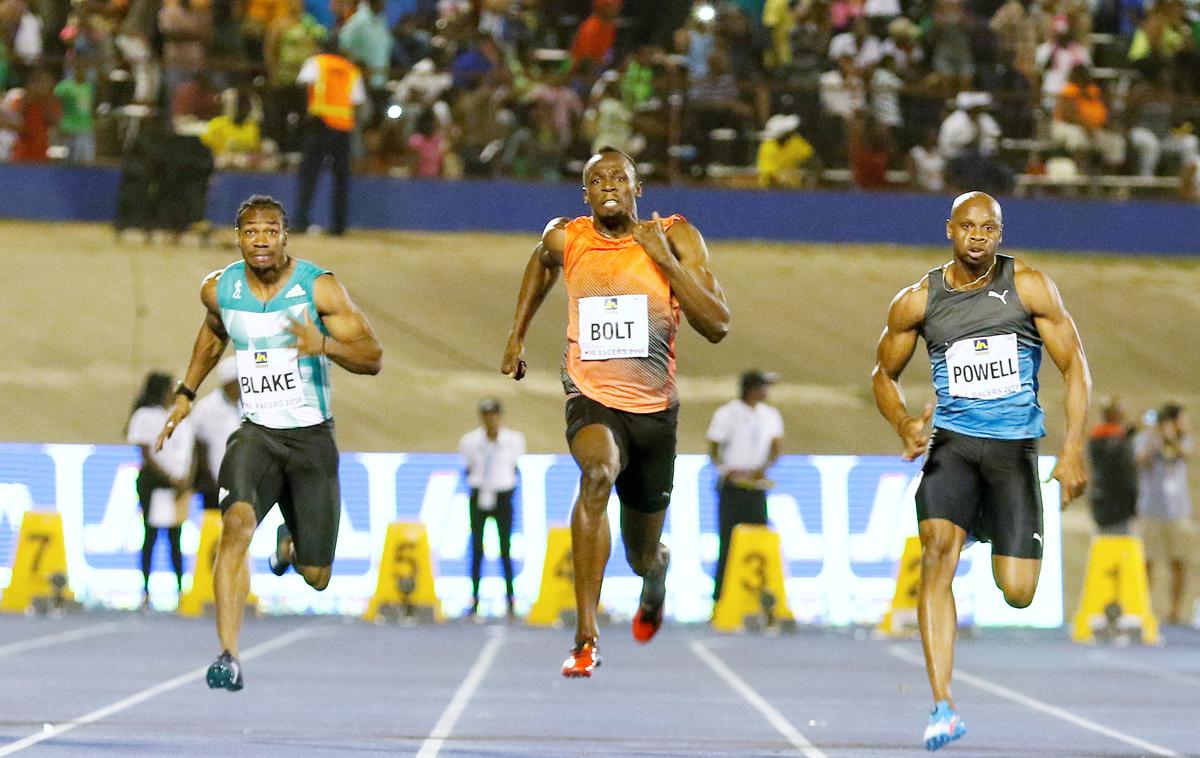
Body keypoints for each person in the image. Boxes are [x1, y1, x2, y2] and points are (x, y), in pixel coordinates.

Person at [870, 191, 1090, 751]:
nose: (977, 236)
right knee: (936, 556)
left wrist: (1072, 449)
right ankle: (942, 703)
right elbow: (882, 374)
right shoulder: (918, 301)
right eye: (966, 226)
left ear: (1000, 232)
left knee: (1018, 592)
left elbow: (1075, 367)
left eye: (988, 228)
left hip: (1014, 451)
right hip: (955, 448)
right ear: (949, 229)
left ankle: (988, 523)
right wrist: (904, 425)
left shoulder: (1031, 286)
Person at [501, 147, 730, 677]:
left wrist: (664, 260)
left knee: (640, 554)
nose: (608, 184)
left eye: (618, 177)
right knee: (597, 473)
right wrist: (516, 333)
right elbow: (540, 262)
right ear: (585, 193)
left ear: (637, 188)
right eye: (596, 178)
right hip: (591, 397)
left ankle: (657, 572)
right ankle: (586, 635)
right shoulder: (568, 236)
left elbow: (717, 325)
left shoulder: (675, 236)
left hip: (654, 412)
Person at [155, 194, 382, 692]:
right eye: (251, 231)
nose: (261, 239)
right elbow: (213, 336)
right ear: (238, 238)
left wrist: (322, 344)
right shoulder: (219, 289)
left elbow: (372, 355)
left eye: (271, 231)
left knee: (317, 574)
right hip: (256, 433)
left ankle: (290, 542)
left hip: (311, 440)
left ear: (285, 238)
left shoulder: (318, 289)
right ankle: (228, 655)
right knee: (234, 526)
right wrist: (186, 392)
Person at [707, 370, 784, 602]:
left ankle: (759, 599)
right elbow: (714, 445)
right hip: (732, 488)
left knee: (758, 542)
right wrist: (725, 469)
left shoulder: (770, 415)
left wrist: (764, 467)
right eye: (764, 386)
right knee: (728, 543)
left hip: (756, 487)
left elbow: (776, 444)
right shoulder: (728, 413)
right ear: (752, 388)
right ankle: (720, 600)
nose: (767, 391)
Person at [127, 371, 195, 609]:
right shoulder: (145, 415)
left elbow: (189, 450)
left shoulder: (178, 415)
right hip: (154, 484)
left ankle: (179, 590)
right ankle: (146, 591)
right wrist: (169, 478)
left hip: (178, 485)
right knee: (152, 536)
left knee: (176, 538)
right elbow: (146, 452)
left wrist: (185, 480)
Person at [457, 397, 526, 618]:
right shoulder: (469, 441)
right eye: (487, 415)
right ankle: (475, 600)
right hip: (479, 495)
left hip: (503, 495)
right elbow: (467, 469)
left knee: (505, 549)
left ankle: (510, 602)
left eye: (494, 414)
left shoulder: (513, 440)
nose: (491, 419)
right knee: (477, 549)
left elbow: (514, 466)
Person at [294, 37, 367, 236]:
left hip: (320, 123)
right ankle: (338, 226)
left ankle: (301, 220)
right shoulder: (351, 69)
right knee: (341, 178)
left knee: (309, 173)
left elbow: (302, 83)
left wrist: (306, 111)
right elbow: (357, 100)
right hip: (343, 127)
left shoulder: (316, 62)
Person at [1135, 402, 1194, 625]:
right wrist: (1156, 438)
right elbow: (1140, 458)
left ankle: (1175, 611)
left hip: (1178, 511)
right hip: (1151, 509)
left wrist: (1172, 438)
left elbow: (1187, 453)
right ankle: (1144, 607)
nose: (1185, 423)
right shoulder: (1147, 438)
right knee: (1147, 562)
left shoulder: (1183, 439)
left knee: (1179, 561)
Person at [190, 356, 242, 510]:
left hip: (245, 478)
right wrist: (206, 479)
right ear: (228, 384)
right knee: (215, 526)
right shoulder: (206, 408)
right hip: (214, 482)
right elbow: (198, 446)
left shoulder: (249, 405)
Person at [1087, 396, 1139, 535]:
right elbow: (1127, 476)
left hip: (1101, 501)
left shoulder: (1096, 438)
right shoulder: (1120, 443)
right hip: (1119, 505)